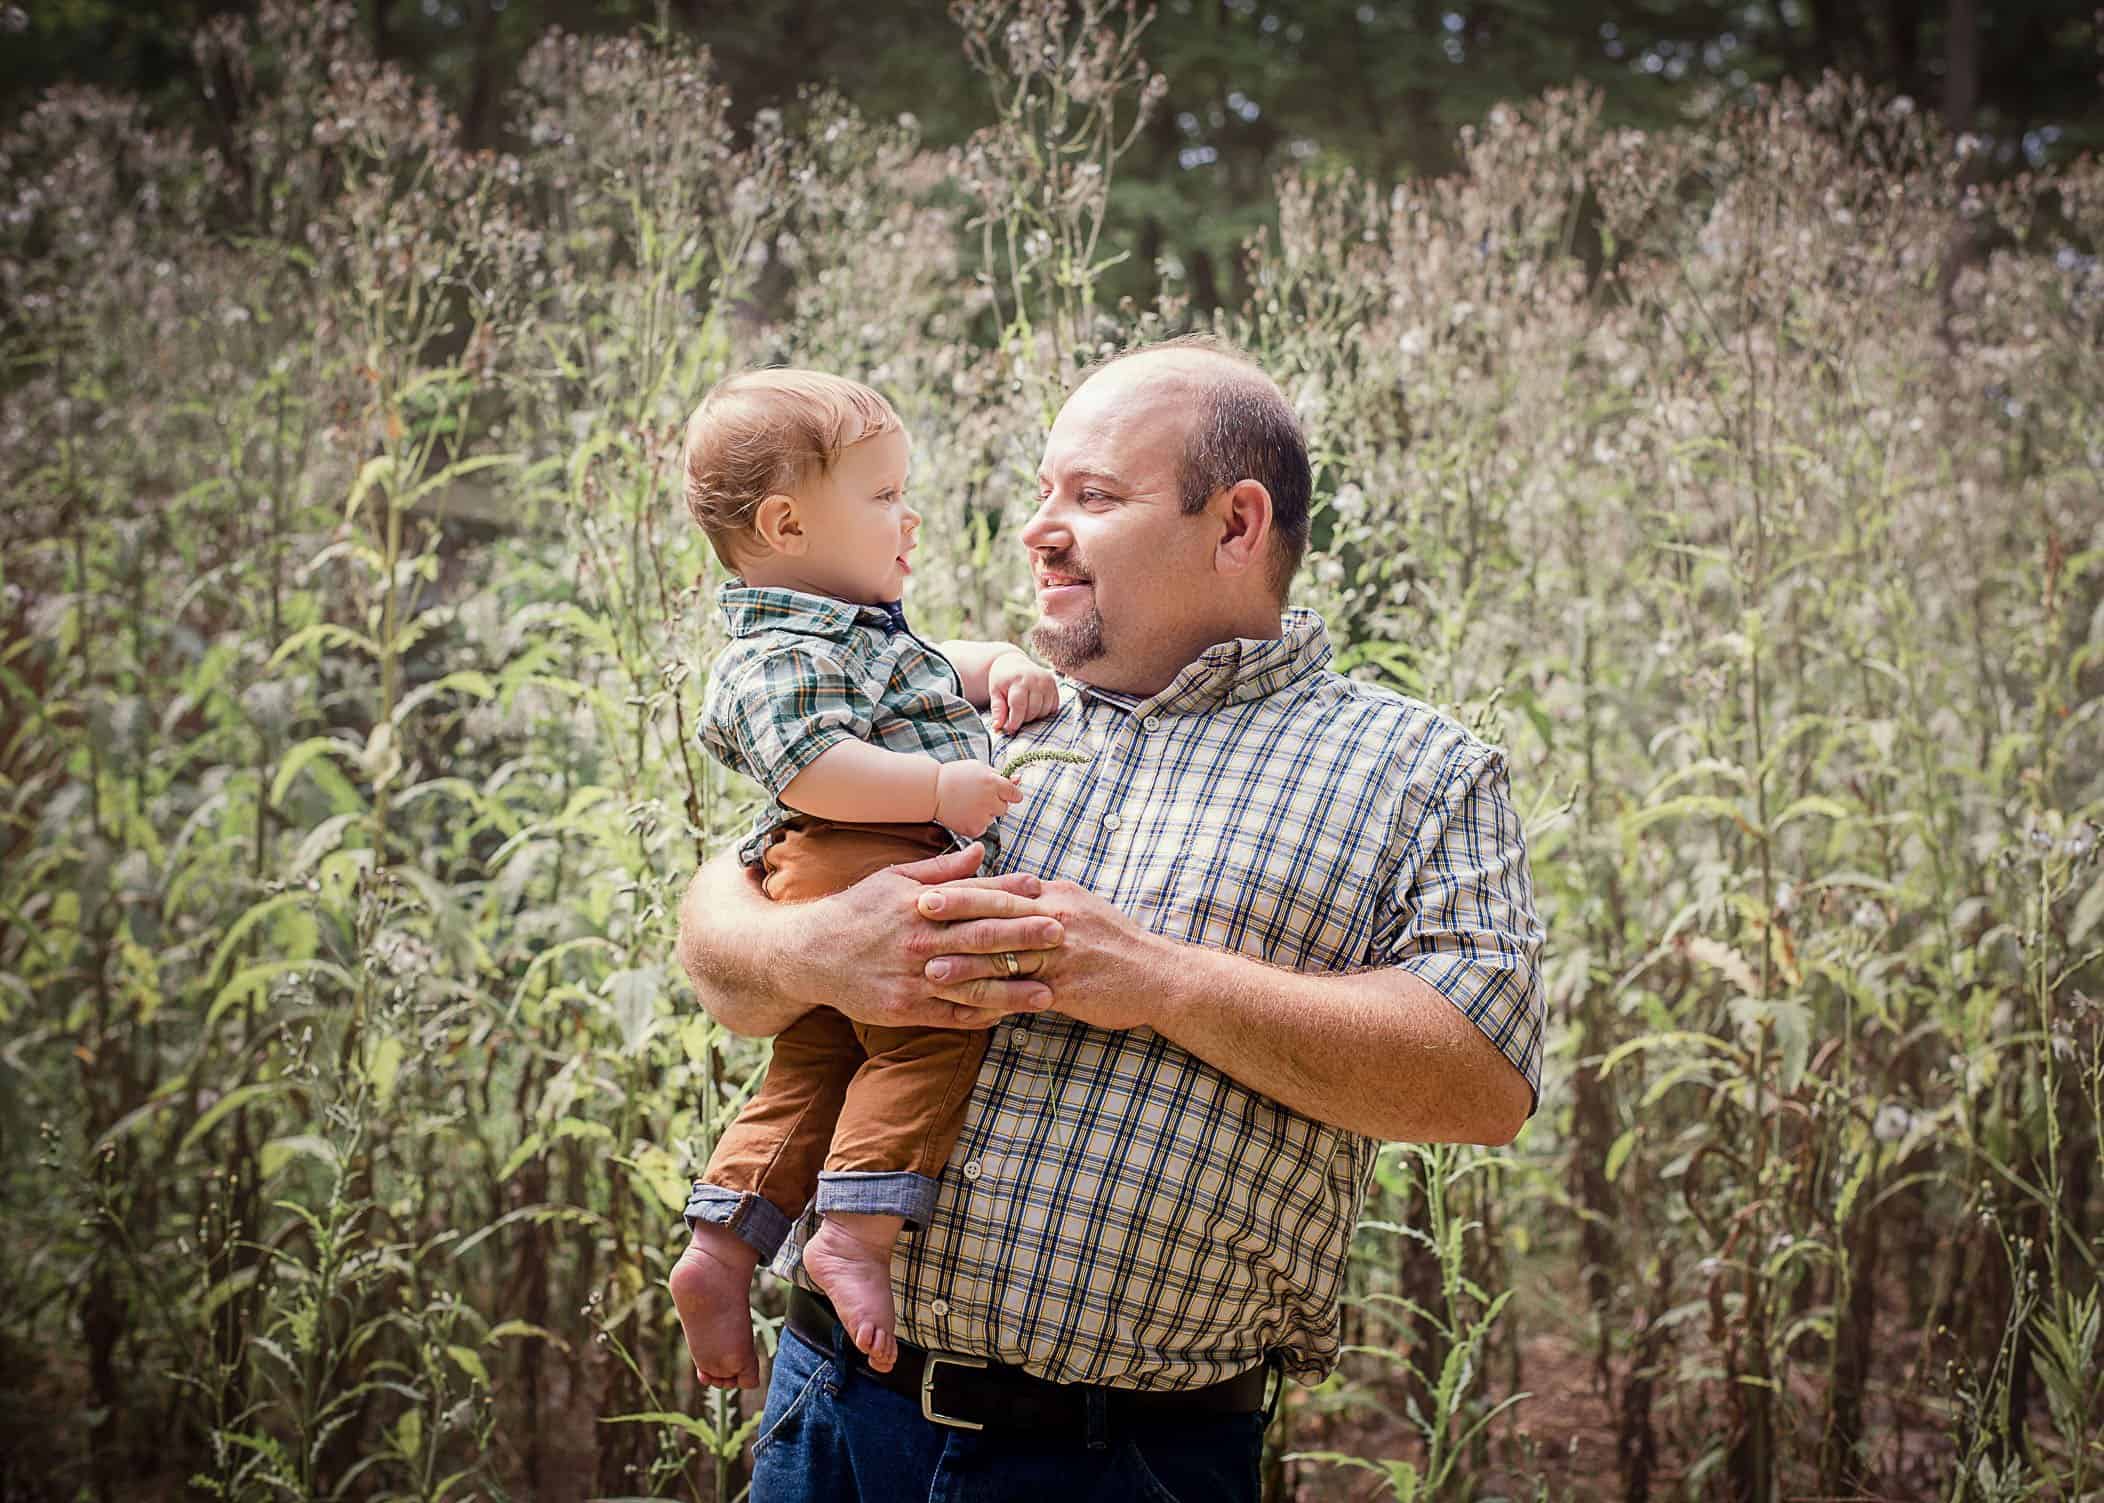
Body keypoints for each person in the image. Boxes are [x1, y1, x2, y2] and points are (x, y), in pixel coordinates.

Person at [670, 336, 1546, 1503]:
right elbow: (722, 933)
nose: (1037, 527)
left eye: (1091, 496)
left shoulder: (1416, 772)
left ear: (1236, 525)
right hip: (832, 1410)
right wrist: (810, 950)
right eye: (1043, 492)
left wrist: (1160, 981)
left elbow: (1483, 1086)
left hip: (1124, 1459)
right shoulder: (964, 712)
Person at [668, 369, 1064, 1394]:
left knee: (810, 1070)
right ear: (787, 523)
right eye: (883, 495)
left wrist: (1001, 667)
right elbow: (809, 767)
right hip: (855, 855)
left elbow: (934, 668)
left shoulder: (855, 631)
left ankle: (723, 1246)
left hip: (826, 875)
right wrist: (935, 781)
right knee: (933, 1026)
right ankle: (852, 1231)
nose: (909, 515)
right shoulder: (775, 652)